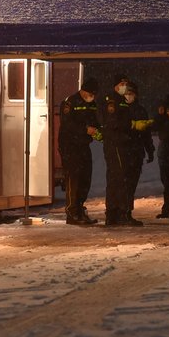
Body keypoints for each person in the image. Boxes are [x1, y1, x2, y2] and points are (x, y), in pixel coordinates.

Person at [98, 74, 141, 226]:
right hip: (115, 143)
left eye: (126, 83)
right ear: (116, 85)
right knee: (120, 178)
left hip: (121, 143)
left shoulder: (121, 101)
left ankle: (114, 213)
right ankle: (120, 213)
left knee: (117, 178)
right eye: (122, 83)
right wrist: (131, 125)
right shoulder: (112, 101)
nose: (124, 86)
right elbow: (113, 123)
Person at [57, 78, 101, 225]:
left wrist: (98, 131)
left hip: (83, 145)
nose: (92, 96)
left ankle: (80, 209)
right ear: (83, 91)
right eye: (90, 93)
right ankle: (72, 213)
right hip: (69, 146)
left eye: (94, 94)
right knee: (73, 179)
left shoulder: (92, 104)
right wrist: (85, 130)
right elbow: (68, 125)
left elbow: (94, 121)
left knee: (85, 178)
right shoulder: (70, 103)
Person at [122, 81, 154, 224]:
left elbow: (146, 133)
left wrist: (150, 149)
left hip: (136, 151)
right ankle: (121, 211)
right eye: (127, 94)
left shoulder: (140, 110)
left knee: (131, 183)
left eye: (131, 94)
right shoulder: (120, 109)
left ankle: (127, 211)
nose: (129, 96)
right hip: (122, 151)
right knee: (122, 183)